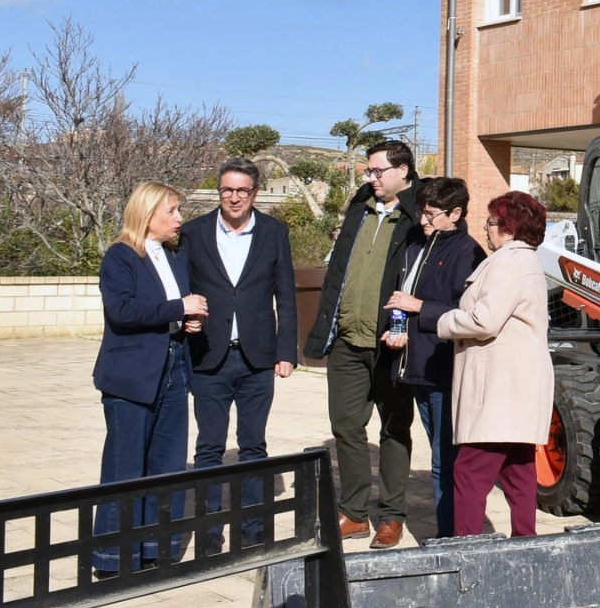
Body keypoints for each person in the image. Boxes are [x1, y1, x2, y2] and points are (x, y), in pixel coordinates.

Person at [302, 140, 419, 549]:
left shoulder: (416, 216)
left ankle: (391, 516)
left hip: (392, 343)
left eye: (378, 171)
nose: (370, 178)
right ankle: (353, 513)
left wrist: (412, 200)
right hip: (348, 340)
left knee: (393, 430)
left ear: (404, 171)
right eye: (369, 171)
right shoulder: (361, 208)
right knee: (346, 428)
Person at [181, 158, 298, 553]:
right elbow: (180, 288)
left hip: (256, 358)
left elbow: (286, 296)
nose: (234, 197)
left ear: (255, 193)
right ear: (219, 191)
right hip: (208, 356)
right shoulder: (194, 232)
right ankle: (210, 531)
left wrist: (286, 351)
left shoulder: (274, 232)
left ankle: (252, 531)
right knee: (209, 447)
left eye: (242, 191)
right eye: (227, 190)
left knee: (254, 446)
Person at [92, 181, 208, 576]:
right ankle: (113, 559)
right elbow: (123, 310)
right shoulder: (120, 256)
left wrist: (184, 320)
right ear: (147, 214)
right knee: (125, 468)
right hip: (132, 376)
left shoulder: (173, 256)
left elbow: (161, 311)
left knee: (168, 464)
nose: (179, 219)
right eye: (172, 211)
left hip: (175, 367)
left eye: (179, 210)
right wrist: (180, 306)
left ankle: (158, 550)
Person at [436, 190, 554, 538]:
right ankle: (525, 543)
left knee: (469, 472)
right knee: (518, 471)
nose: (485, 229)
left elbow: (485, 320)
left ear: (507, 226)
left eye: (490, 222)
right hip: (516, 387)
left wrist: (445, 321)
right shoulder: (526, 260)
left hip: (498, 389)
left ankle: (467, 549)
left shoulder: (507, 262)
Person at [381, 176, 486, 538]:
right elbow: (401, 294)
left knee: (446, 461)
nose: (423, 221)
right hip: (414, 366)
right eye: (421, 213)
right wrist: (397, 328)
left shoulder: (469, 252)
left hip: (445, 369)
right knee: (439, 456)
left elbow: (466, 312)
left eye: (431, 215)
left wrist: (419, 308)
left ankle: (451, 537)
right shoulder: (417, 245)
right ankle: (450, 532)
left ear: (455, 213)